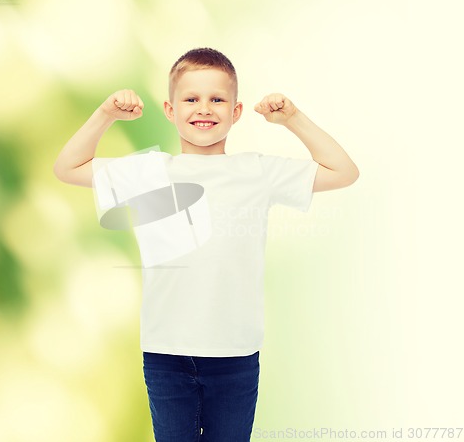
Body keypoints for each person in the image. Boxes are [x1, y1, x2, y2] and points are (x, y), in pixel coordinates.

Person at [53, 48, 359, 442]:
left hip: (235, 355)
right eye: (191, 99)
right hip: (167, 354)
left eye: (217, 99)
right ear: (169, 108)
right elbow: (68, 168)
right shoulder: (147, 172)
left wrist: (292, 120)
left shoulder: (257, 170)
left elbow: (344, 171)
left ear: (236, 111)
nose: (205, 108)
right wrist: (106, 115)